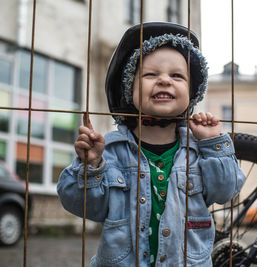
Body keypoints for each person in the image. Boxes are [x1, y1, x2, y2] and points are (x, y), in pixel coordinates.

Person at [57, 22, 245, 267]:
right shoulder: (110, 150)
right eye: (150, 74)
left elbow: (226, 192)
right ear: (129, 88)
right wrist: (90, 167)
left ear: (192, 91)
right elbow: (85, 207)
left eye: (177, 75)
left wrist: (213, 144)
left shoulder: (200, 149)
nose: (164, 80)